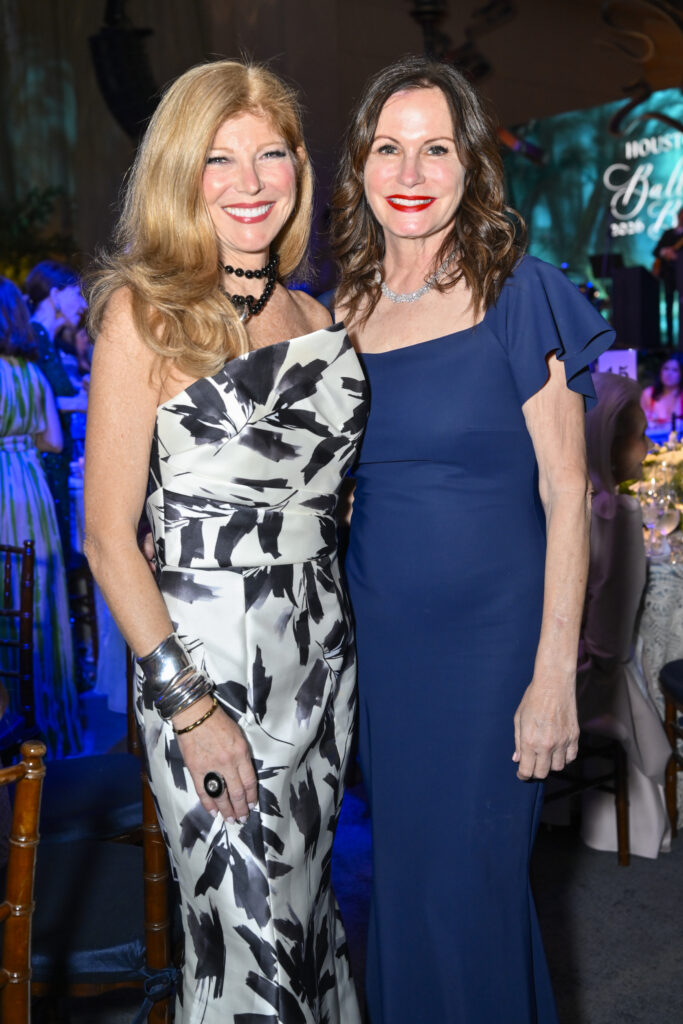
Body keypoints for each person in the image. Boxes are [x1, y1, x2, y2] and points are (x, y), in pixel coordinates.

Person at [330, 56, 615, 1023]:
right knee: (406, 892)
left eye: (436, 148)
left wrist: (552, 675)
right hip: (388, 657)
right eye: (389, 147)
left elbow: (565, 490)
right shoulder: (345, 315)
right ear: (361, 166)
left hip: (495, 654)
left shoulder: (517, 292)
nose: (410, 171)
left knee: (475, 900)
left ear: (470, 166)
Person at [84, 60, 367, 1022]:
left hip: (319, 663)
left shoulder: (319, 321)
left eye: (270, 154)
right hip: (205, 670)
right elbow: (106, 540)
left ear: (298, 166)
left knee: (308, 918)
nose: (250, 182)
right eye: (218, 159)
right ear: (179, 172)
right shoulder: (143, 314)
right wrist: (190, 707)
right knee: (243, 938)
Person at [578, 371, 670, 859]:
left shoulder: (568, 502)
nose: (649, 448)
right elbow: (610, 645)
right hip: (588, 680)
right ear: (611, 445)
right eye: (641, 435)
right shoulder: (618, 515)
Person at [0, 276, 82, 757]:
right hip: (29, 491)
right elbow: (52, 438)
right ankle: (46, 726)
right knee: (41, 603)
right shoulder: (31, 373)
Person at [24, 261, 89, 562]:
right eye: (76, 293)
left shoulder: (44, 338)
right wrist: (86, 401)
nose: (82, 303)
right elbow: (36, 404)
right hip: (47, 455)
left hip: (55, 455)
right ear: (54, 293)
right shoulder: (34, 336)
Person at [652, 207, 683, 347]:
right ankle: (670, 342)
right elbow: (656, 251)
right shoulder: (669, 233)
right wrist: (666, 252)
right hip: (669, 276)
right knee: (669, 308)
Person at [640, 355, 683, 431]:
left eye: (675, 370)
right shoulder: (648, 394)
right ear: (660, 372)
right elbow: (639, 423)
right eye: (666, 369)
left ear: (681, 374)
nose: (669, 373)